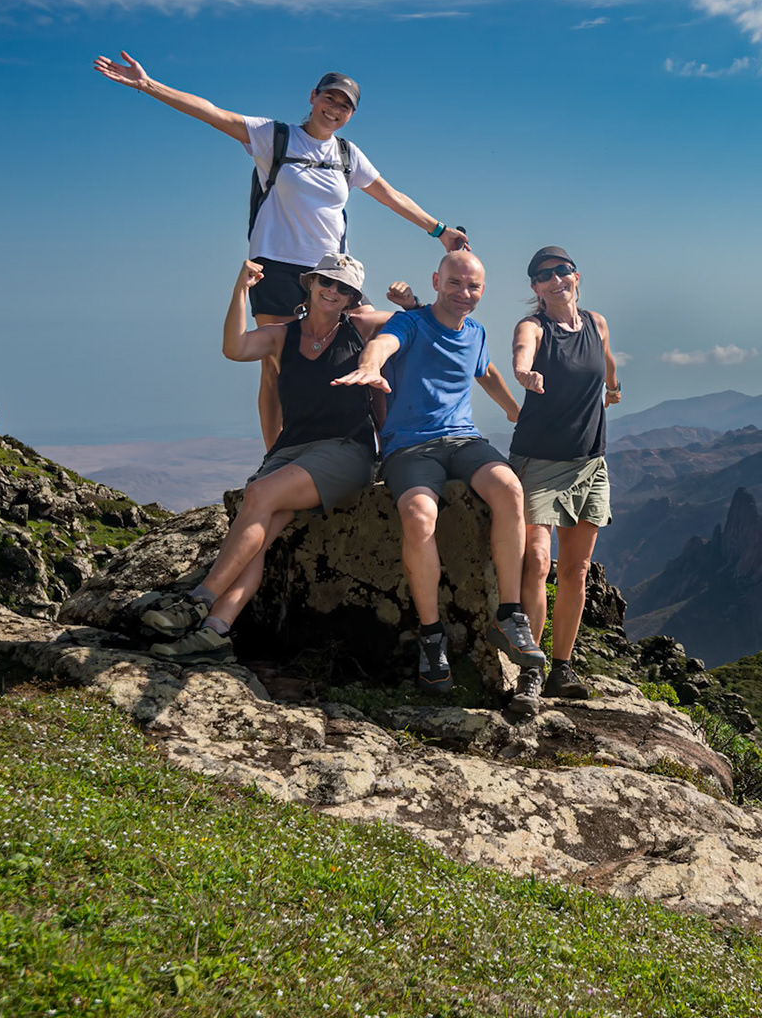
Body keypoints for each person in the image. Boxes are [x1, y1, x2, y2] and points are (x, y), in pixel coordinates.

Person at [91, 52, 468, 448]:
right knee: (274, 365)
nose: (335, 109)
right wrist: (148, 84)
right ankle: (276, 455)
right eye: (330, 99)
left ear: (351, 114)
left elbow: (390, 195)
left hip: (332, 272)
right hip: (274, 268)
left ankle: (388, 445)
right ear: (313, 96)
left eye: (345, 106)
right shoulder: (276, 137)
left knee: (370, 349)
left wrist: (438, 230)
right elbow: (211, 113)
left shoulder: (347, 155)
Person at [143, 253, 397, 659]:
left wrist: (411, 301)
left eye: (344, 288)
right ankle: (215, 630)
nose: (333, 291)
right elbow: (234, 348)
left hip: (346, 450)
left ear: (353, 299)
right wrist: (240, 291)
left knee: (259, 496)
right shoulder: (281, 336)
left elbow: (418, 323)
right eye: (327, 282)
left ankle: (198, 600)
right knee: (259, 535)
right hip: (293, 451)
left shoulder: (361, 328)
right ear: (310, 284)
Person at [332, 250, 552, 715]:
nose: (463, 293)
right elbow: (383, 344)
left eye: (472, 287)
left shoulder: (475, 333)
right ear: (436, 280)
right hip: (410, 448)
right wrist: (371, 366)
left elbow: (486, 371)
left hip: (464, 441)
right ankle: (432, 636)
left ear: (482, 291)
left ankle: (510, 616)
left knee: (509, 489)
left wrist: (515, 410)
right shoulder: (411, 324)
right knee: (418, 515)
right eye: (455, 283)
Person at [509, 247, 622, 701]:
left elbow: (608, 360)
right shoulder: (534, 327)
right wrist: (524, 374)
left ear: (577, 276)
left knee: (575, 568)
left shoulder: (597, 323)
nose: (555, 280)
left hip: (590, 462)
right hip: (539, 462)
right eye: (544, 276)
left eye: (562, 271)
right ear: (535, 288)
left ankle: (562, 667)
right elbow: (522, 353)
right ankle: (530, 670)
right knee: (537, 561)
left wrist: (613, 388)